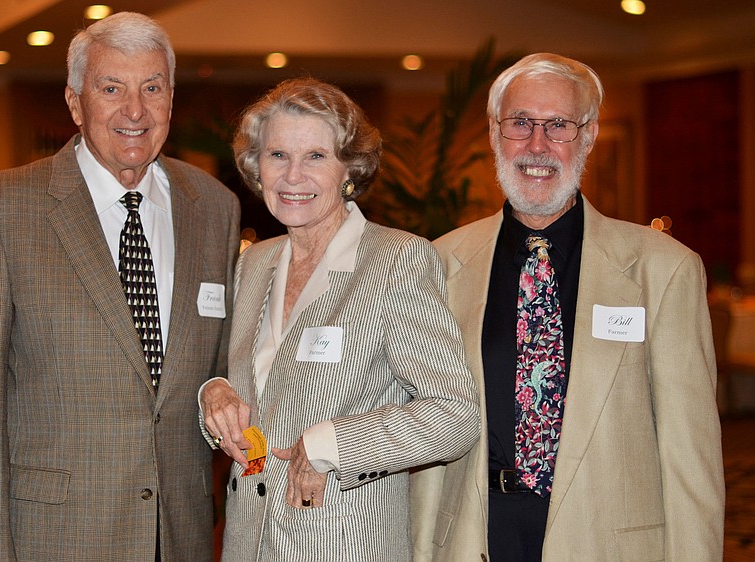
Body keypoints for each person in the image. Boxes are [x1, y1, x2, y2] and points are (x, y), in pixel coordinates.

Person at [0, 12, 240, 561]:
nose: (135, 110)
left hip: (180, 536)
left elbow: (220, 368)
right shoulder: (0, 209)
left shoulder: (214, 208)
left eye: (152, 88)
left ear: (171, 100)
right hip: (52, 540)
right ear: (75, 103)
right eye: (112, 88)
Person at [410, 53, 725, 562]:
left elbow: (691, 458)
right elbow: (424, 433)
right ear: (494, 133)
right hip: (475, 536)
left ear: (589, 135)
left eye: (558, 125)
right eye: (520, 123)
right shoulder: (440, 264)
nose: (538, 145)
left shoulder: (663, 270)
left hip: (609, 542)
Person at [199, 77, 480, 562]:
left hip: (346, 544)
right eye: (278, 155)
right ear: (255, 167)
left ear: (349, 167)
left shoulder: (395, 260)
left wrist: (334, 444)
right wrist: (215, 395)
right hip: (248, 544)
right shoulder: (254, 263)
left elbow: (454, 416)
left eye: (316, 156)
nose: (292, 176)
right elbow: (248, 380)